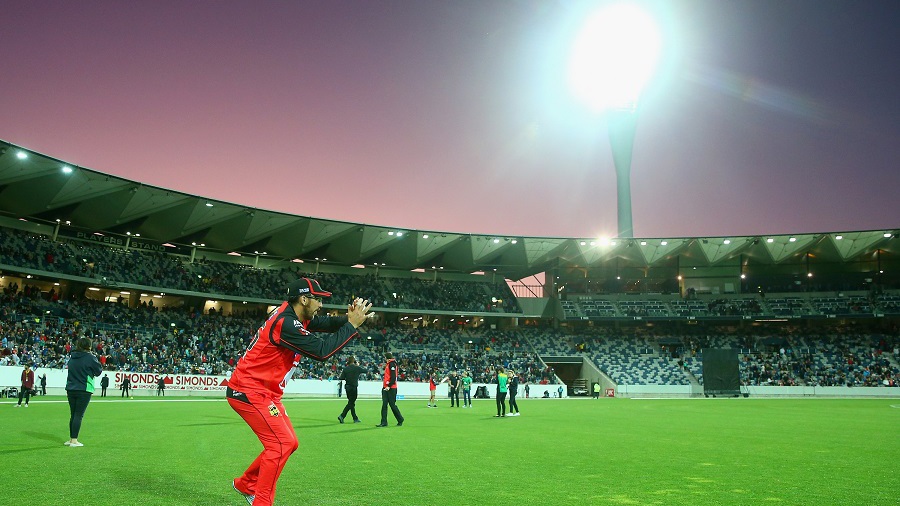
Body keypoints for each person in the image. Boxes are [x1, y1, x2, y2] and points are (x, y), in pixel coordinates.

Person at [227, 278, 372, 506]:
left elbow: (324, 323)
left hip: (263, 392)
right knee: (281, 444)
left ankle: (246, 484)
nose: (321, 305)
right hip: (249, 390)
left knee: (289, 443)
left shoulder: (292, 315)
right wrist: (351, 326)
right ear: (304, 299)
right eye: (318, 299)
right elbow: (322, 351)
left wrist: (349, 319)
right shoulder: (286, 323)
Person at [64, 336, 103, 447]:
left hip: (71, 388)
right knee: (78, 415)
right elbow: (98, 371)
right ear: (89, 346)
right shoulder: (90, 357)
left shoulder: (72, 357)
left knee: (73, 414)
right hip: (84, 388)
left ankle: (71, 438)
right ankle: (74, 440)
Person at [377, 351, 404, 427]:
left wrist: (389, 385)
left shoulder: (392, 364)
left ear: (386, 358)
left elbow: (393, 376)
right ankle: (384, 422)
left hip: (390, 388)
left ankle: (400, 419)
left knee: (391, 405)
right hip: (387, 387)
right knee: (385, 404)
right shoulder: (390, 364)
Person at [338, 355, 364, 424]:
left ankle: (355, 418)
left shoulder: (346, 369)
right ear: (354, 361)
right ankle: (342, 415)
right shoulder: (357, 368)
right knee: (351, 402)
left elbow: (341, 378)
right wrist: (358, 366)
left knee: (351, 403)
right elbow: (365, 371)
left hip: (347, 387)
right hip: (353, 387)